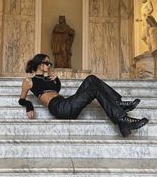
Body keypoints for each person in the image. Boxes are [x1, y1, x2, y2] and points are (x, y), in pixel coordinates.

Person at [19, 54, 148, 137]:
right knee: (93, 89)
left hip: (65, 103)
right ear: (39, 64)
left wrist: (56, 80)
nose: (49, 66)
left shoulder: (49, 79)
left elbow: (57, 91)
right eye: (47, 63)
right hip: (59, 108)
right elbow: (22, 99)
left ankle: (118, 104)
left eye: (49, 63)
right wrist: (29, 106)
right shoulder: (29, 81)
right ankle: (122, 119)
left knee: (91, 79)